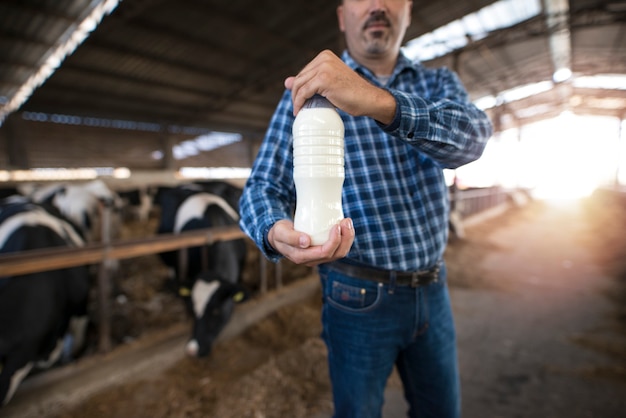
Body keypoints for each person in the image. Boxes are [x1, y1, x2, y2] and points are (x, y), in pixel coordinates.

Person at [239, 0, 492, 416]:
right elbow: (260, 189)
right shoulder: (309, 94)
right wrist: (274, 229)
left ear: (408, 12)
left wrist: (376, 101)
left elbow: (474, 138)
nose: (377, 4)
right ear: (342, 16)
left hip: (433, 287)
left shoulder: (436, 84)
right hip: (356, 295)